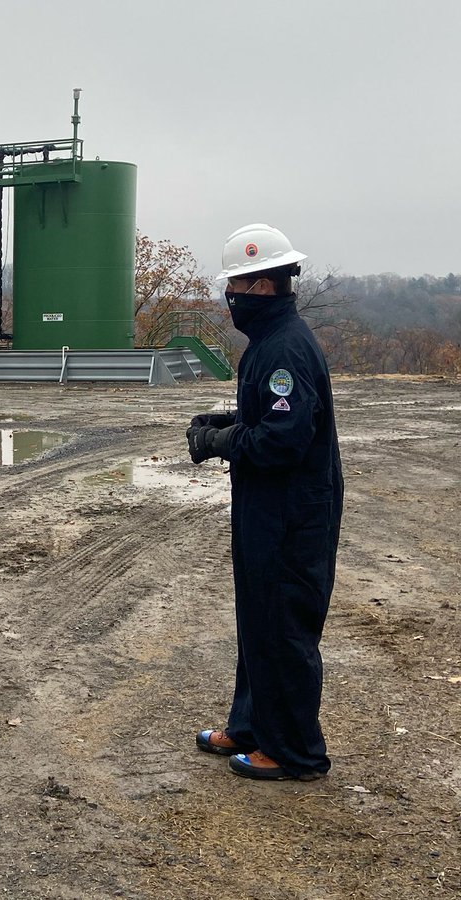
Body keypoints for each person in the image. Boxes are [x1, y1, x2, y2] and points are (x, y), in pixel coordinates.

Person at [186, 224, 343, 781]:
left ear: (263, 286)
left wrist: (220, 443)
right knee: (257, 618)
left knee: (283, 626)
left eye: (236, 285)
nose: (229, 296)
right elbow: (269, 419)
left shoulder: (285, 349)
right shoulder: (267, 344)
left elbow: (282, 440)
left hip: (291, 516)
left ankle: (294, 751)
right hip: (266, 510)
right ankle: (252, 726)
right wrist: (224, 423)